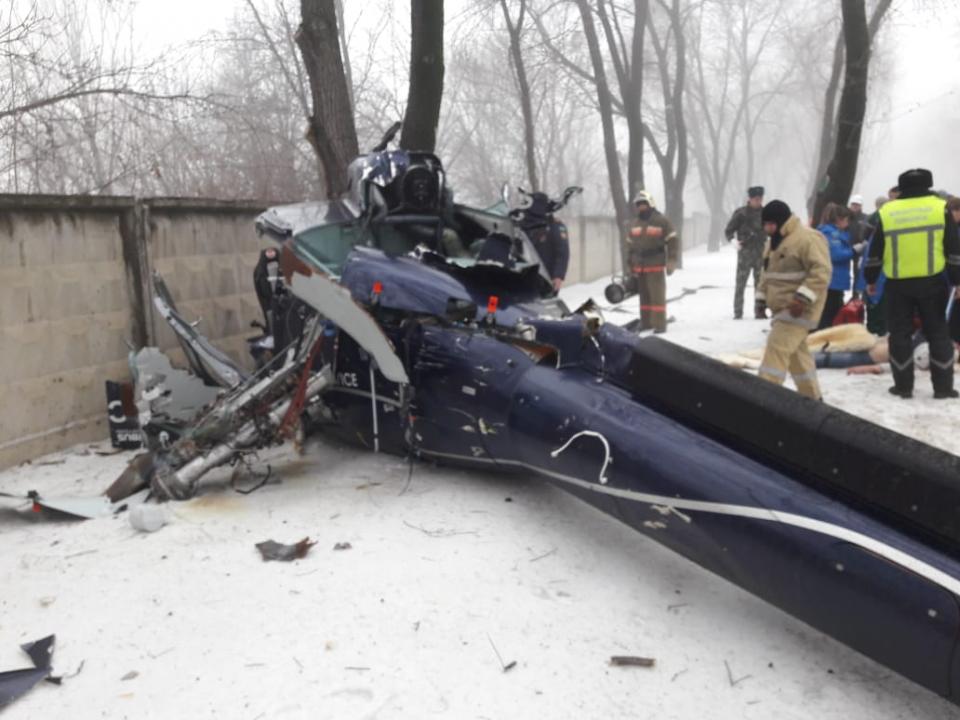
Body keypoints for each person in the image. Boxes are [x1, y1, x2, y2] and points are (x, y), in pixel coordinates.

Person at [863, 168, 960, 399]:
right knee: (938, 334)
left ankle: (903, 387)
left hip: (898, 284)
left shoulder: (888, 211)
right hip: (932, 282)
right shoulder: (940, 208)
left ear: (902, 187)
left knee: (899, 335)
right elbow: (953, 249)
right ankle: (943, 388)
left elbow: (875, 250)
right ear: (928, 185)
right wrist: (957, 281)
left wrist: (871, 279)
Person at [755, 200, 832, 399]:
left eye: (771, 224)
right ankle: (812, 399)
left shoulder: (808, 238)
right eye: (765, 224)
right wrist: (761, 299)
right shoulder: (773, 242)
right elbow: (767, 274)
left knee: (776, 350)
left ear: (782, 221)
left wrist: (801, 300)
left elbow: (821, 272)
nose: (767, 228)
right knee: (798, 357)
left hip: (799, 309)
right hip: (781, 308)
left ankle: (762, 398)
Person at [625, 190, 679, 333]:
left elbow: (673, 240)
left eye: (643, 204)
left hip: (655, 265)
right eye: (638, 205)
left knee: (657, 298)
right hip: (640, 267)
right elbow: (630, 245)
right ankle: (646, 323)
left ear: (650, 204)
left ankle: (659, 325)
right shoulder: (635, 223)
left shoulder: (661, 221)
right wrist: (630, 264)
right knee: (644, 299)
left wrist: (672, 260)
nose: (641, 207)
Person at [725, 186, 766, 319]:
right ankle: (738, 312)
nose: (758, 201)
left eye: (760, 199)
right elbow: (729, 230)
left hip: (760, 253)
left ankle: (759, 311)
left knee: (760, 285)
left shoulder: (766, 214)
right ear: (750, 199)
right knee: (740, 283)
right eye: (756, 199)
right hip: (745, 254)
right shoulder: (741, 214)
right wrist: (733, 241)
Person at [817, 203, 861, 329]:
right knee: (830, 314)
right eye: (846, 220)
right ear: (839, 219)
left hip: (835, 280)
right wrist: (853, 251)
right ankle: (825, 335)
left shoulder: (835, 233)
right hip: (833, 280)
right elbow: (836, 254)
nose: (848, 223)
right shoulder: (831, 234)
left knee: (833, 312)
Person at [518, 191, 570, 292]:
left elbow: (562, 252)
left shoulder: (554, 225)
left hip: (546, 279)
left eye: (529, 203)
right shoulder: (523, 225)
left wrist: (558, 276)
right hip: (524, 276)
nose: (525, 207)